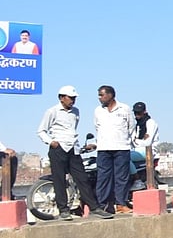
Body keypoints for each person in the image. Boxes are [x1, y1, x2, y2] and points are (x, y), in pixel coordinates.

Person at [37, 86, 109, 220]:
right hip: (58, 148)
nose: (72, 101)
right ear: (61, 98)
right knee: (59, 180)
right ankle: (63, 210)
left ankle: (94, 207)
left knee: (82, 179)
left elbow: (72, 129)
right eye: (70, 98)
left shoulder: (76, 112)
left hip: (73, 149)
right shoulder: (52, 111)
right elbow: (41, 130)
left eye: (74, 98)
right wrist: (51, 142)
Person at [93, 85, 135, 214]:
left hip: (121, 147)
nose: (100, 98)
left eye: (102, 95)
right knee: (103, 177)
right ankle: (103, 205)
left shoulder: (124, 109)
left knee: (121, 178)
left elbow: (131, 127)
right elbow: (97, 127)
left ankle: (121, 204)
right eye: (99, 95)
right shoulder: (98, 111)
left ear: (110, 95)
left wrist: (126, 142)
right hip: (104, 149)